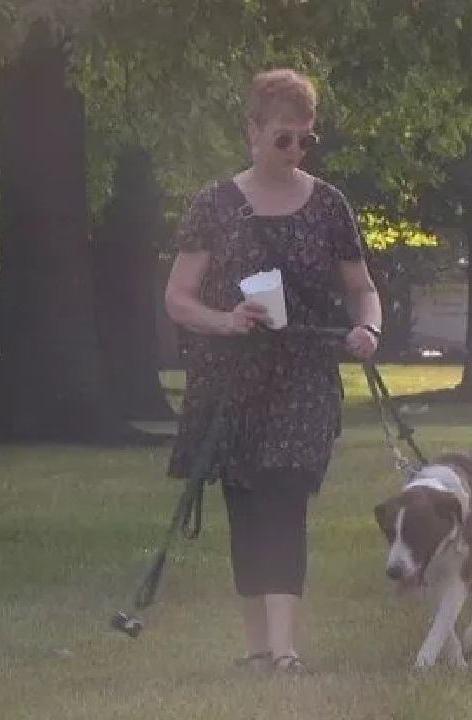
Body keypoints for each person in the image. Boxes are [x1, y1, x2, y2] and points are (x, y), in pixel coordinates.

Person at [163, 68, 383, 674]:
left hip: (304, 377)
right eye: (284, 137)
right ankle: (257, 645)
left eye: (306, 139)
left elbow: (362, 288)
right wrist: (225, 319)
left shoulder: (329, 205)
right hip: (232, 377)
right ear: (254, 131)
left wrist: (368, 328)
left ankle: (285, 648)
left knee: (284, 498)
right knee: (246, 502)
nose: (296, 150)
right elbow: (178, 298)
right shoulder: (213, 206)